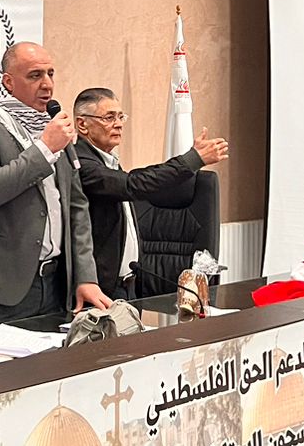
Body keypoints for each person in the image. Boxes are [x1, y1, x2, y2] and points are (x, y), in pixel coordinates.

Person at [0, 42, 115, 325]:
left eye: (50, 74)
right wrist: (45, 148)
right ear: (8, 82)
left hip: (55, 284)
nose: (47, 84)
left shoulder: (52, 124)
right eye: (35, 75)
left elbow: (76, 205)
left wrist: (86, 276)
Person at [72, 87, 230, 299]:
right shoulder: (82, 164)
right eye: (109, 118)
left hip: (129, 284)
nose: (118, 124)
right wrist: (193, 159)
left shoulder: (107, 161)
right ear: (82, 124)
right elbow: (132, 184)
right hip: (102, 289)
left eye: (120, 117)